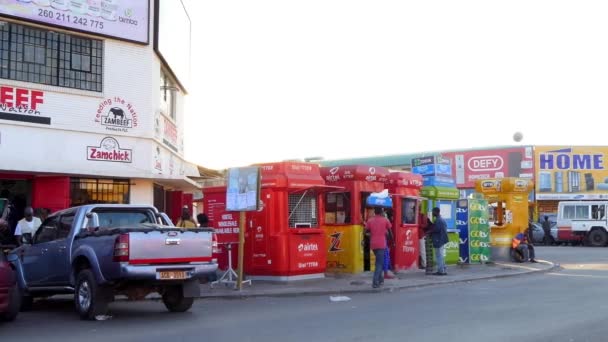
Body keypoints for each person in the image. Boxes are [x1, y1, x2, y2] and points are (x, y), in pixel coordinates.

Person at [364, 207, 392, 288]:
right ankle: (375, 282)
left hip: (373, 244)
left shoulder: (370, 220)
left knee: (379, 262)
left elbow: (365, 232)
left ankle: (381, 279)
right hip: (381, 244)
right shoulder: (385, 220)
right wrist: (392, 241)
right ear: (381, 212)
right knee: (379, 264)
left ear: (375, 212)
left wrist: (370, 235)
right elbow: (390, 232)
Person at [426, 207, 448, 276]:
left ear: (436, 212)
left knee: (439, 256)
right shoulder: (441, 219)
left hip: (438, 240)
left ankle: (440, 271)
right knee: (441, 255)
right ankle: (443, 269)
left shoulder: (438, 220)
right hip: (441, 239)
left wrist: (429, 232)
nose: (432, 213)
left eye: (433, 212)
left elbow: (436, 229)